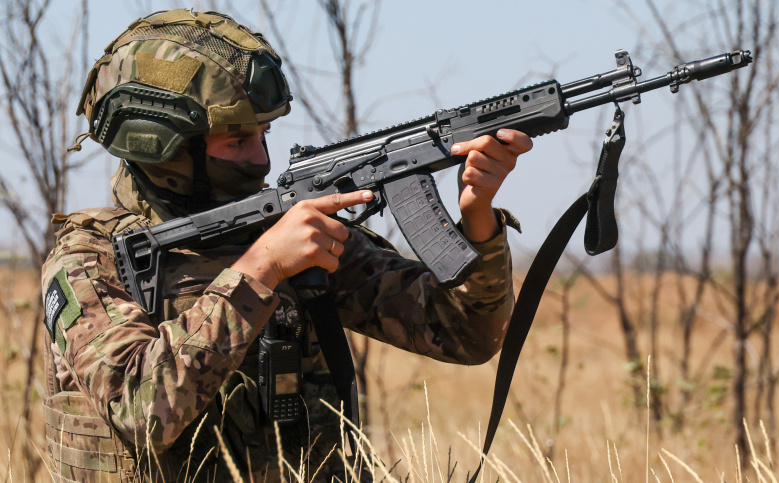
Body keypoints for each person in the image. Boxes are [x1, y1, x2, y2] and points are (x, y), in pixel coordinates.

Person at [41, 8, 532, 482]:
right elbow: (141, 410)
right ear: (163, 146)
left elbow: (467, 334)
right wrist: (261, 269)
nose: (262, 160)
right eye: (237, 142)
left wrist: (478, 220)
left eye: (264, 134)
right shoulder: (90, 260)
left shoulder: (289, 235)